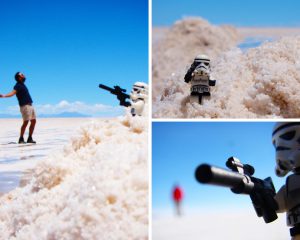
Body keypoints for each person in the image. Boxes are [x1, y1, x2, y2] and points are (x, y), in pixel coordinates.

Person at [0, 72, 36, 144]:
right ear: (19, 77)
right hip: (25, 106)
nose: (24, 75)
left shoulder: (23, 85)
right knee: (26, 122)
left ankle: (29, 138)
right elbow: (12, 93)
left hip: (30, 105)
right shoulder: (18, 86)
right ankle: (21, 138)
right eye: (22, 75)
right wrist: (4, 95)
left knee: (33, 121)